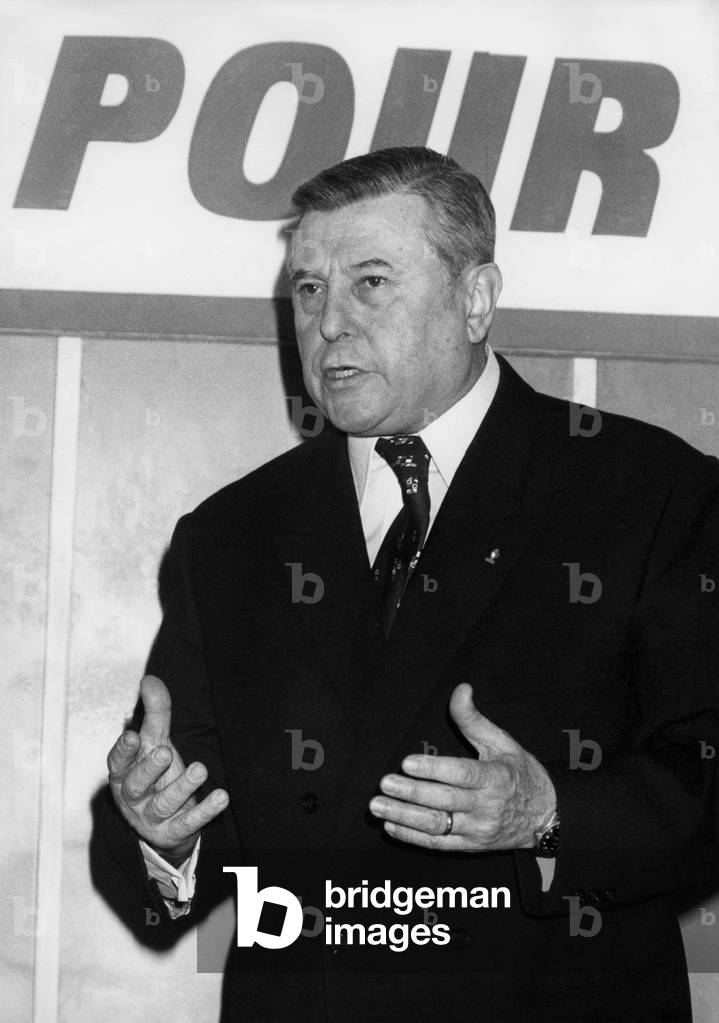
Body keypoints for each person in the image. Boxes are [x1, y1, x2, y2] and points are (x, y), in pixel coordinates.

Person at [96, 147, 718, 1021]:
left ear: (475, 297)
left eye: (370, 282)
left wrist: (547, 815)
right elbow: (181, 823)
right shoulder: (229, 536)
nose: (329, 323)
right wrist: (162, 836)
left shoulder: (649, 492)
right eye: (308, 288)